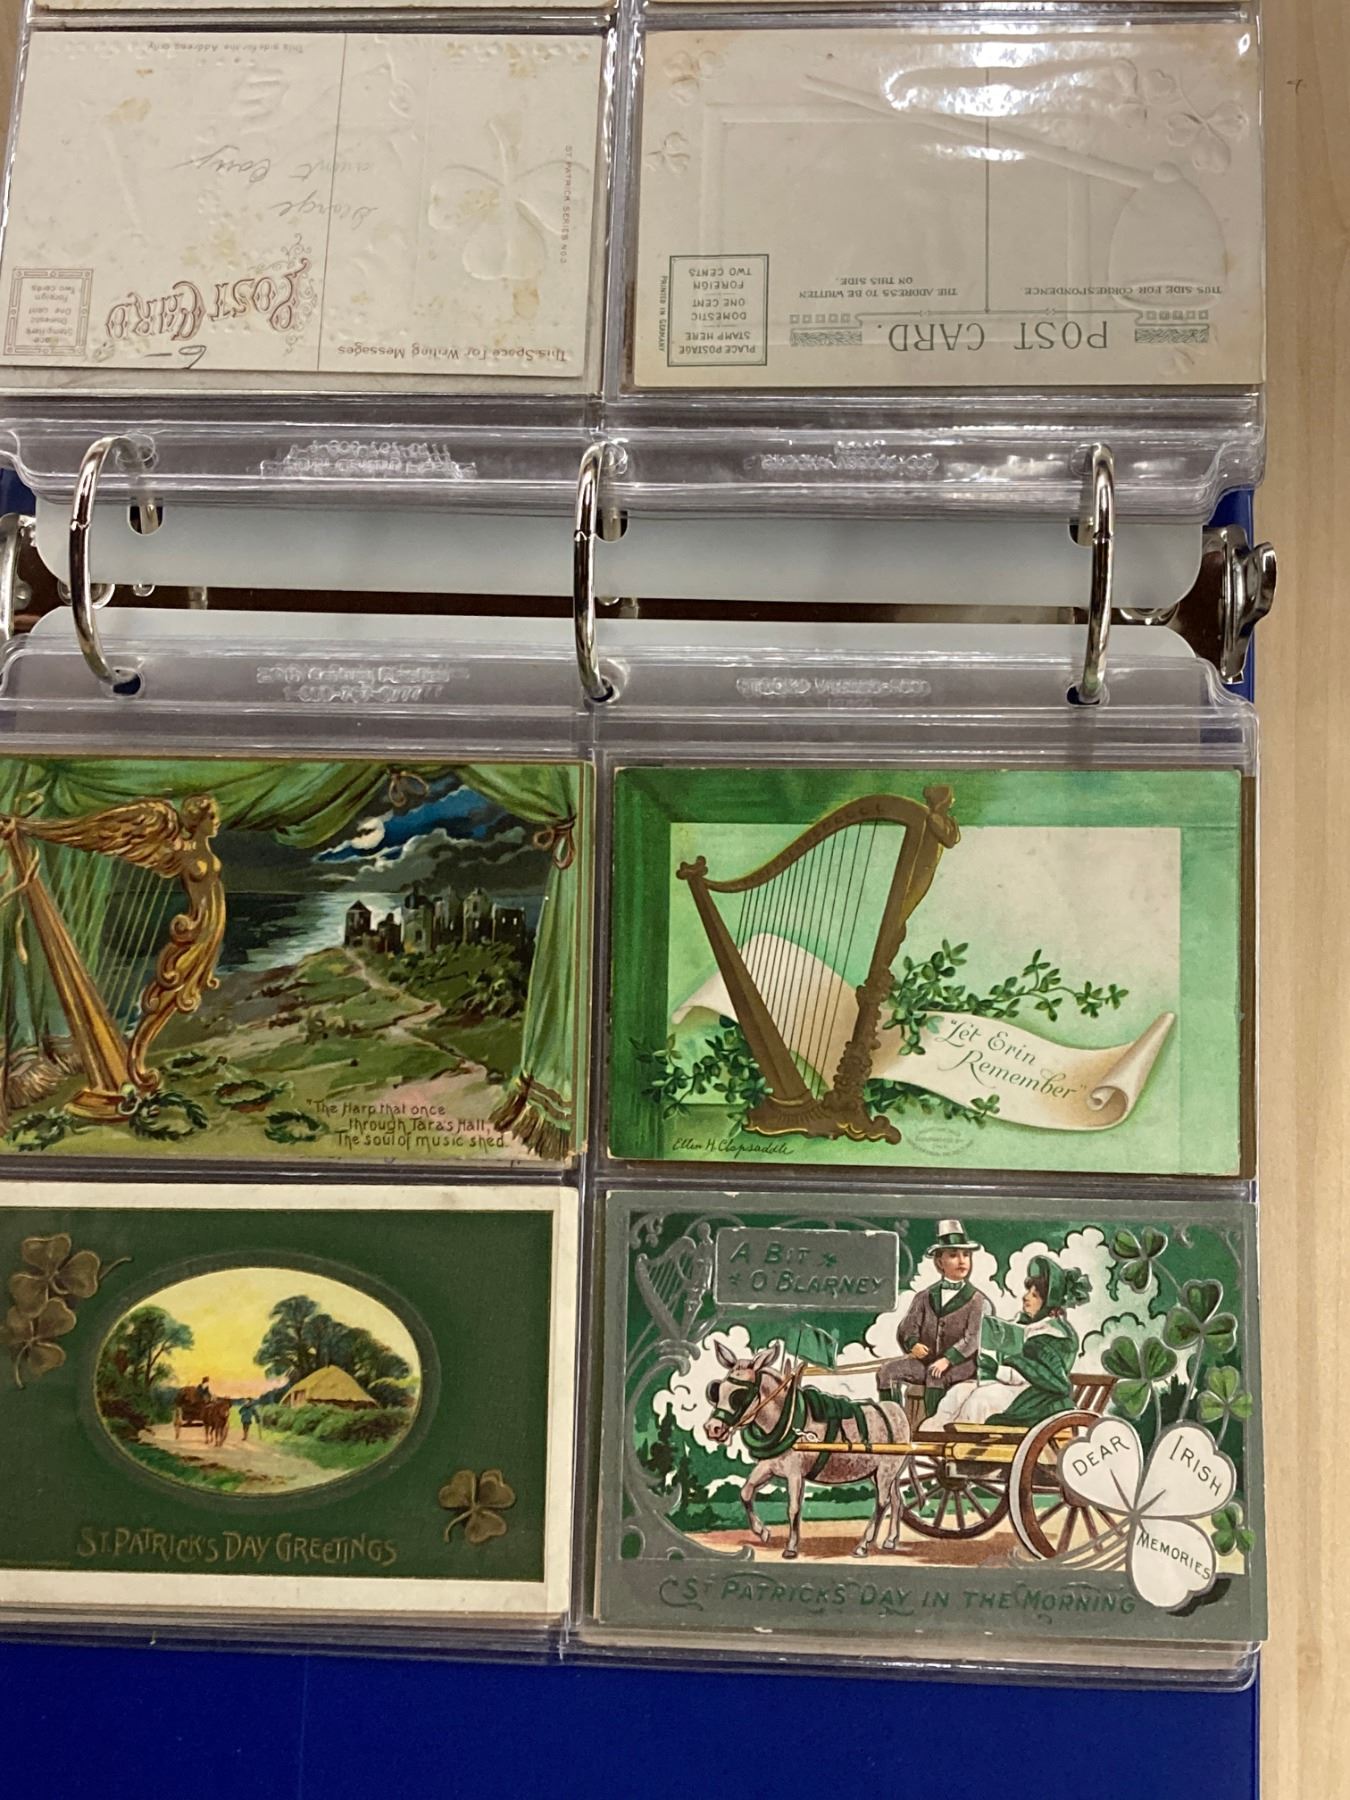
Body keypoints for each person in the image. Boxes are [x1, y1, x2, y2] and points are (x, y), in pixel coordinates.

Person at [929, 1254, 1091, 1430]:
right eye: (1028, 1291)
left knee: (980, 1400)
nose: (1026, 1297)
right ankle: (933, 1436)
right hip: (1016, 1388)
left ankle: (961, 1443)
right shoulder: (1028, 1326)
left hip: (1037, 1398)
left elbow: (1044, 1378)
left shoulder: (1055, 1336)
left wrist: (998, 1369)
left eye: (1034, 1295)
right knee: (958, 1393)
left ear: (1048, 1305)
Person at [878, 1221, 991, 1418]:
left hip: (962, 1366)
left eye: (966, 1255)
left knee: (934, 1376)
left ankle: (932, 1427)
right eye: (953, 1255)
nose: (962, 1261)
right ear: (939, 1262)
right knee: (886, 1371)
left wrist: (948, 1360)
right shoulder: (924, 1296)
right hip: (926, 1362)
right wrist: (913, 1344)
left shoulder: (978, 1301)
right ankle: (892, 1421)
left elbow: (973, 1338)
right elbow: (907, 1328)